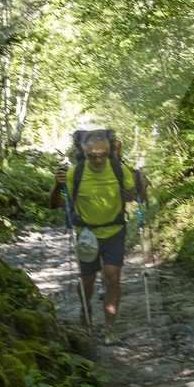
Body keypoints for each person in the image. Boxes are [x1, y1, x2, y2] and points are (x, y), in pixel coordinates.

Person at [49, 130, 146, 343]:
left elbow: (135, 197)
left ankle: (109, 329)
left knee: (112, 277)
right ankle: (86, 310)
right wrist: (58, 185)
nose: (98, 159)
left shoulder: (119, 170)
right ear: (84, 153)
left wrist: (140, 185)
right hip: (86, 234)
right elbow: (54, 204)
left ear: (110, 152)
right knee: (87, 281)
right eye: (92, 155)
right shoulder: (75, 173)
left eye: (103, 154)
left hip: (114, 231)